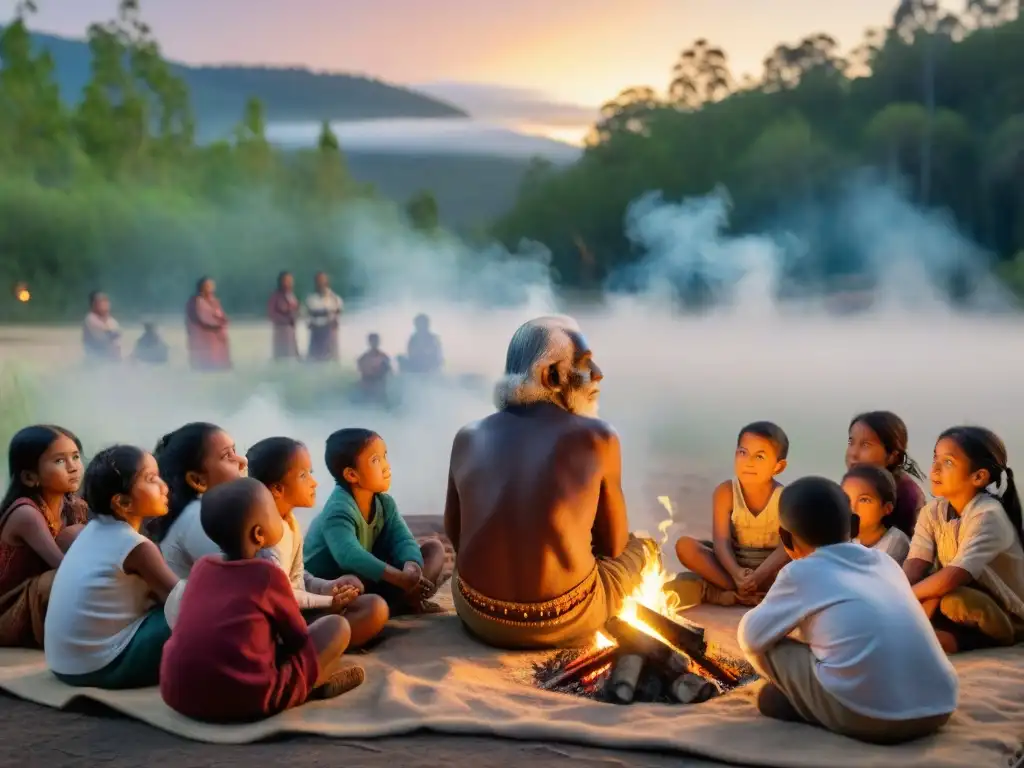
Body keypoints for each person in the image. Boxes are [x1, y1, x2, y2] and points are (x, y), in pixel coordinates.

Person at [445, 316, 659, 649]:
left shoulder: (467, 436)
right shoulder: (600, 437)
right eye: (586, 363)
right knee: (643, 547)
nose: (599, 373)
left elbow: (455, 534)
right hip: (565, 618)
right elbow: (614, 547)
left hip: (477, 613)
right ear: (551, 376)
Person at [738, 476, 957, 744]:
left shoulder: (801, 571)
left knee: (766, 648)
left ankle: (810, 704)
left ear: (785, 538)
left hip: (872, 718)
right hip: (940, 706)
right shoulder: (885, 563)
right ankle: (817, 700)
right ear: (853, 526)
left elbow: (750, 637)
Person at [160, 479, 364, 723]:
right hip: (248, 701)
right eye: (274, 515)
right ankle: (313, 687)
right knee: (336, 628)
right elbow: (298, 639)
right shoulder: (268, 575)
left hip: (178, 694)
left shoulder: (202, 567)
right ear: (259, 533)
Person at [45, 445, 180, 689]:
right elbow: (181, 600)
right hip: (101, 667)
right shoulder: (135, 546)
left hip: (65, 664)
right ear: (123, 502)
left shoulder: (92, 532)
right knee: (197, 618)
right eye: (151, 479)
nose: (164, 485)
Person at [247, 437, 389, 646]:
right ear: (277, 489)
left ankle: (321, 651)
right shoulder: (266, 537)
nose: (314, 482)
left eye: (310, 473)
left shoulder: (290, 522)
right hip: (273, 630)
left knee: (374, 607)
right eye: (303, 475)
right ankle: (306, 663)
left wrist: (330, 587)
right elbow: (281, 598)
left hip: (297, 614)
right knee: (341, 626)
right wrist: (329, 602)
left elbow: (298, 577)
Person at [904, 426, 1024, 653]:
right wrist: (891, 591)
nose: (935, 468)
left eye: (948, 462)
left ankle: (990, 637)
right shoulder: (933, 511)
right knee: (930, 595)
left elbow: (953, 577)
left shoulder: (987, 514)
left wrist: (902, 597)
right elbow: (916, 563)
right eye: (935, 458)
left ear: (978, 476)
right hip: (957, 601)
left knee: (952, 599)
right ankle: (937, 636)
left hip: (1006, 613)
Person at [304, 429, 446, 616]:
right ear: (352, 475)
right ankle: (395, 604)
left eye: (385, 456)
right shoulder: (338, 509)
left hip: (374, 579)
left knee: (434, 550)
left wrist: (411, 566)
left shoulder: (384, 503)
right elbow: (349, 555)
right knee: (353, 584)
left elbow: (402, 540)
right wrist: (399, 578)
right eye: (376, 461)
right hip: (337, 584)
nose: (387, 466)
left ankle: (400, 602)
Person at [674, 422, 790, 607]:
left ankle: (725, 594)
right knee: (685, 546)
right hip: (734, 569)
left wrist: (758, 576)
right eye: (742, 453)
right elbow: (721, 542)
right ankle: (740, 592)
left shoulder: (785, 498)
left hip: (770, 572)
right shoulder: (726, 492)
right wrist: (737, 573)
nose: (748, 462)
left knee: (807, 557)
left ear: (778, 466)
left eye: (759, 456)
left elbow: (786, 549)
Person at [0, 426, 87, 647]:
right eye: (59, 461)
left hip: (35, 605)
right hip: (8, 612)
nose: (72, 467)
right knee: (59, 578)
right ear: (30, 477)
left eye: (76, 457)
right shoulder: (26, 513)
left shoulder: (74, 506)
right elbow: (63, 568)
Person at [150, 422, 248, 578]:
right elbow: (244, 578)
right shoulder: (198, 518)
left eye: (234, 451)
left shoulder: (199, 512)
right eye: (227, 456)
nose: (242, 461)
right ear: (198, 480)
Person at [846, 411, 926, 537]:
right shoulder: (853, 487)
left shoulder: (906, 496)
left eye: (865, 445)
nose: (853, 454)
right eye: (851, 443)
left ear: (892, 456)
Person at [842, 464, 910, 564]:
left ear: (887, 508)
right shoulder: (842, 538)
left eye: (864, 500)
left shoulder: (895, 542)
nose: (852, 508)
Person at [185, 276, 231, 371]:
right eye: (208, 286)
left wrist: (222, 321)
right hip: (201, 337)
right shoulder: (195, 301)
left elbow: (221, 315)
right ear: (201, 287)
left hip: (215, 337)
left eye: (212, 286)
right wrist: (212, 326)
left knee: (217, 361)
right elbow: (196, 319)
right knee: (204, 362)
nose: (211, 288)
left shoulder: (213, 301)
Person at [305, 271, 343, 362]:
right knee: (314, 360)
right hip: (316, 334)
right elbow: (307, 318)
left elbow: (338, 315)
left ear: (327, 282)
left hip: (329, 333)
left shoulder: (335, 299)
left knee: (330, 360)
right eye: (318, 281)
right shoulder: (311, 299)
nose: (321, 283)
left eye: (323, 281)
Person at [268, 271, 300, 361]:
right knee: (282, 356)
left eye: (290, 280)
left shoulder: (292, 296)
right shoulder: (275, 297)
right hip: (281, 330)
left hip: (291, 329)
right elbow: (271, 314)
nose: (289, 283)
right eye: (286, 280)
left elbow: (296, 310)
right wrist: (285, 319)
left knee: (293, 354)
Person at [82, 291, 122, 363]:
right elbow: (105, 338)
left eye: (107, 301)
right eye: (102, 301)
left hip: (113, 361)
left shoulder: (111, 320)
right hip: (97, 361)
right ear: (94, 304)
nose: (106, 304)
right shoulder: (91, 319)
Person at [356, 333, 392, 405]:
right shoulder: (363, 358)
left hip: (379, 385)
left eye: (376, 341)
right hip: (368, 384)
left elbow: (389, 372)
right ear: (369, 342)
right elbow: (361, 370)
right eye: (373, 341)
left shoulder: (384, 357)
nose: (375, 343)